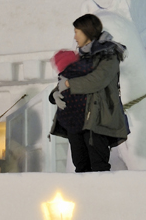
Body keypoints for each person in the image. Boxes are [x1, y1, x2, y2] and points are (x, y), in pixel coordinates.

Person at [49, 14, 129, 172]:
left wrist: (67, 84)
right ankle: (83, 196)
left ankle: (100, 196)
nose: (74, 36)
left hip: (97, 118)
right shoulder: (79, 57)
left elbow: (97, 80)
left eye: (77, 32)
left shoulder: (108, 54)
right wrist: (55, 94)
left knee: (98, 166)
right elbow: (67, 78)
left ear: (88, 31)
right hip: (75, 119)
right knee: (80, 165)